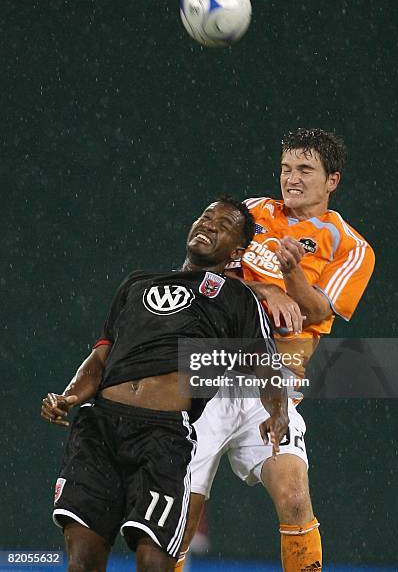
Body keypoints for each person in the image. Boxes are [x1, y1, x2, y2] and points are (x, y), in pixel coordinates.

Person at [40, 198, 289, 572]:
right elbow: (101, 356)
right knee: (82, 564)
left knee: (155, 564)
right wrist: (71, 394)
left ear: (238, 251)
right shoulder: (137, 282)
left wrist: (278, 411)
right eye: (205, 216)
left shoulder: (238, 298)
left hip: (163, 438)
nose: (208, 224)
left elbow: (266, 365)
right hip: (99, 430)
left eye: (222, 224)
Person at [176, 129, 375, 572]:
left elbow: (320, 309)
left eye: (305, 169)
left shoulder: (351, 246)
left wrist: (293, 277)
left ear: (333, 180)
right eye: (286, 168)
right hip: (210, 374)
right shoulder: (251, 212)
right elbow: (201, 273)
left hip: (273, 389)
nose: (292, 178)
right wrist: (268, 287)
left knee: (294, 496)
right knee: (183, 513)